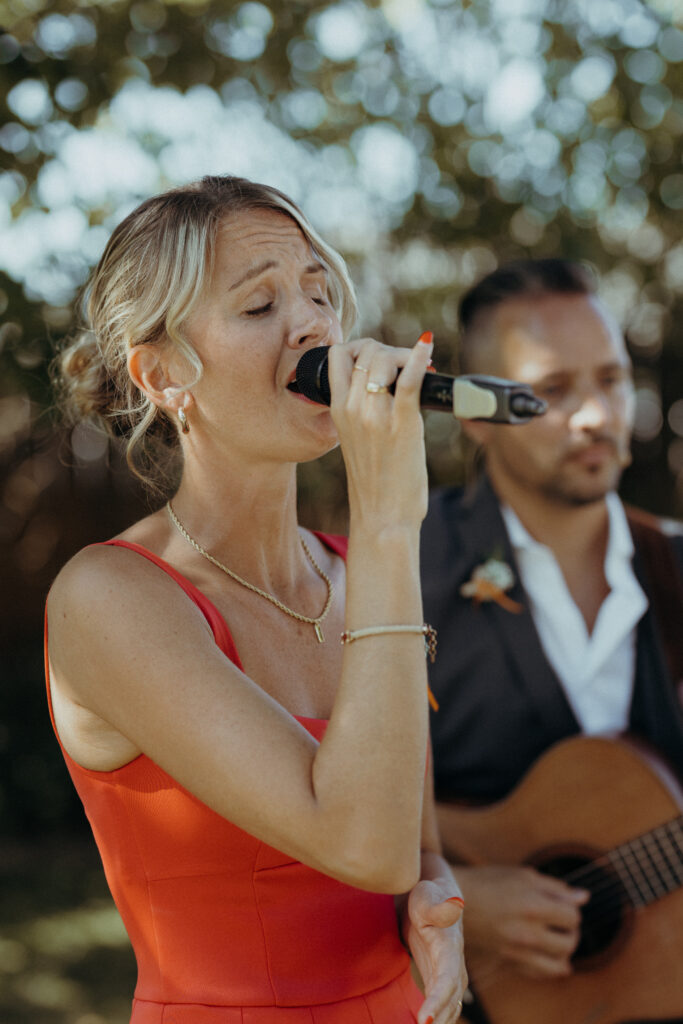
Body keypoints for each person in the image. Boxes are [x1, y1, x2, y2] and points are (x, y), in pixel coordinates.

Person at [45, 175, 467, 1024]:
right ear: (163, 374)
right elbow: (360, 846)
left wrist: (437, 905)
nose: (315, 324)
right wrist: (388, 516)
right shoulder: (110, 597)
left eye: (319, 292)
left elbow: (410, 848)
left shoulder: (357, 573)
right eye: (258, 306)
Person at [420, 259, 683, 1021]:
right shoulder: (395, 564)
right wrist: (450, 890)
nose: (597, 415)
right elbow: (313, 799)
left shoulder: (676, 567)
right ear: (474, 414)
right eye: (553, 391)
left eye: (610, 379)